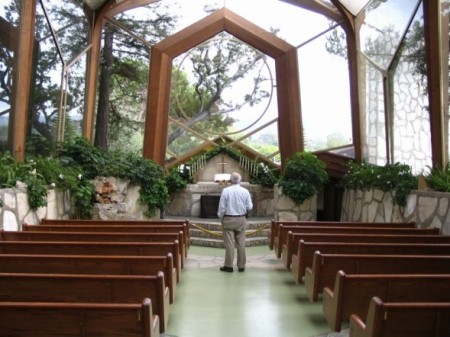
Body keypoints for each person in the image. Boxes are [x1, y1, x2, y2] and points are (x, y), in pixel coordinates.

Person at [217, 172, 253, 272]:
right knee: (241, 243)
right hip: (241, 219)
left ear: (230, 180)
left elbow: (222, 207)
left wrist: (220, 217)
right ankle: (241, 266)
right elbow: (249, 206)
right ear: (240, 180)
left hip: (228, 219)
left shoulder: (226, 191)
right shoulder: (245, 191)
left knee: (229, 244)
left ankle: (228, 266)